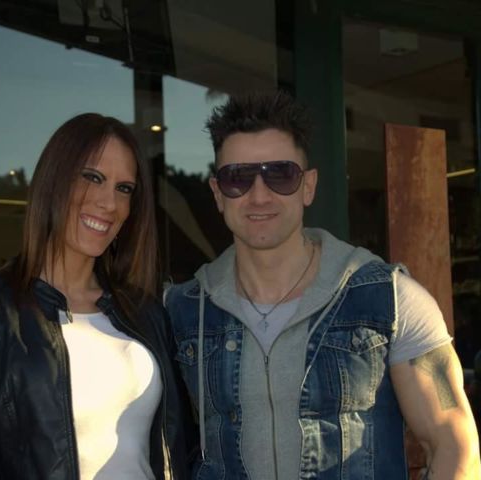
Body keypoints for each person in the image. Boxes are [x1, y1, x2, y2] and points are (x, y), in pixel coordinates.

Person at [164, 92, 481, 479]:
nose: (259, 195)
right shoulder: (184, 309)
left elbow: (454, 444)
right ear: (217, 193)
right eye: (238, 178)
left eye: (280, 175)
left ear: (308, 186)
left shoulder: (391, 298)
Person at [0, 113, 190, 479]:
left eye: (124, 188)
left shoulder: (146, 313)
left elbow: (178, 448)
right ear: (54, 181)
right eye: (92, 177)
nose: (109, 202)